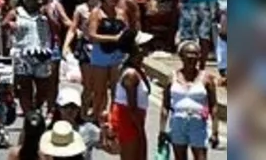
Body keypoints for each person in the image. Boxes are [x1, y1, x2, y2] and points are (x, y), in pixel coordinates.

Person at [160, 40, 220, 160]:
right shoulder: (172, 77)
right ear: (181, 56)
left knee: (200, 157)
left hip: (198, 124)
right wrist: (162, 130)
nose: (191, 58)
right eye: (188, 54)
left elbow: (213, 106)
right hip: (177, 123)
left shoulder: (206, 78)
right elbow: (165, 106)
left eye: (195, 54)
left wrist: (215, 131)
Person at [109, 30, 154, 160]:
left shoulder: (138, 69)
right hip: (129, 120)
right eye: (144, 44)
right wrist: (140, 130)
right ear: (135, 48)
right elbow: (131, 107)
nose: (148, 46)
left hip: (135, 119)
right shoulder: (131, 75)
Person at [53, 86, 102, 160]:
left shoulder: (89, 130)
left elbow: (113, 149)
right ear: (58, 107)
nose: (69, 110)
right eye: (65, 106)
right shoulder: (49, 131)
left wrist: (107, 134)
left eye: (73, 107)